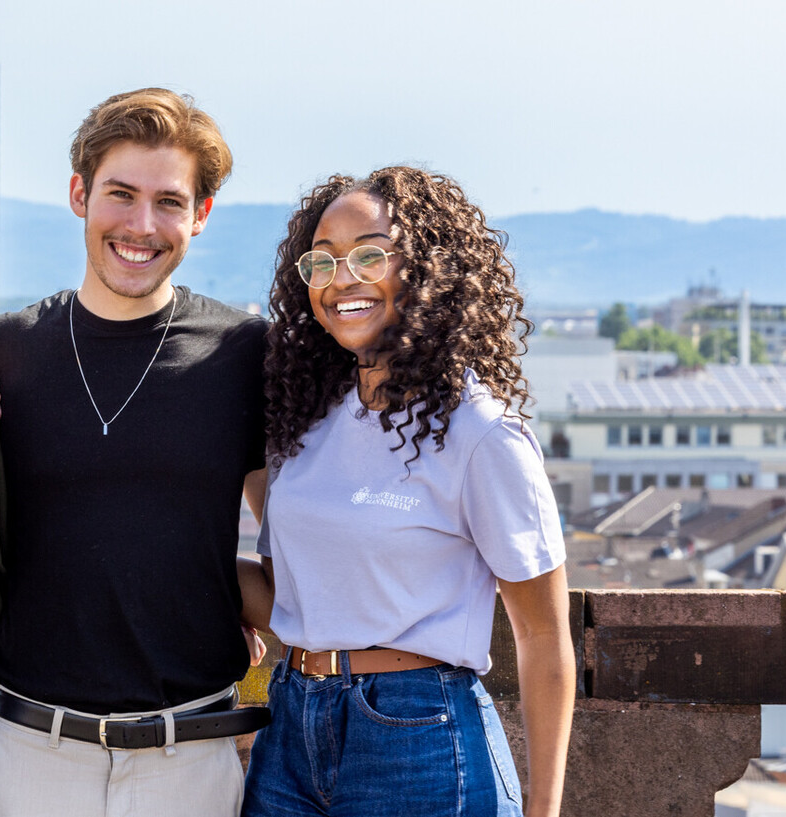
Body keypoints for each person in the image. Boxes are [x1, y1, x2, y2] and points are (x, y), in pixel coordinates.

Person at [0, 88, 272, 817]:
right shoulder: (6, 350)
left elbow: (293, 545)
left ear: (200, 214)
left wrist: (211, 586)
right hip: (33, 751)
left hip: (191, 755)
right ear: (80, 195)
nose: (142, 225)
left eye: (169, 202)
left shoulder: (243, 353)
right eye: (121, 194)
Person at [241, 166, 574, 817]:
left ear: (427, 270)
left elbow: (543, 636)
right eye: (322, 261)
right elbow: (296, 592)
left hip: (419, 734)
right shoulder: (302, 423)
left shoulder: (480, 432)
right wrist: (188, 578)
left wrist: (545, 809)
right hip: (291, 729)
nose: (342, 279)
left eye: (369, 256)